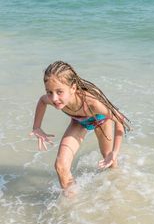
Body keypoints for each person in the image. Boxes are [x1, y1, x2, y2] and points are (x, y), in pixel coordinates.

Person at [30, 61, 130, 196]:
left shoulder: (93, 103)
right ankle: (73, 206)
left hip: (100, 120)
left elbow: (120, 121)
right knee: (60, 166)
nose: (54, 98)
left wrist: (115, 152)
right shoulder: (52, 99)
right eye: (49, 92)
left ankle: (116, 185)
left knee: (108, 157)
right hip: (78, 121)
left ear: (73, 88)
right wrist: (37, 127)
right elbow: (42, 101)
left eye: (59, 92)